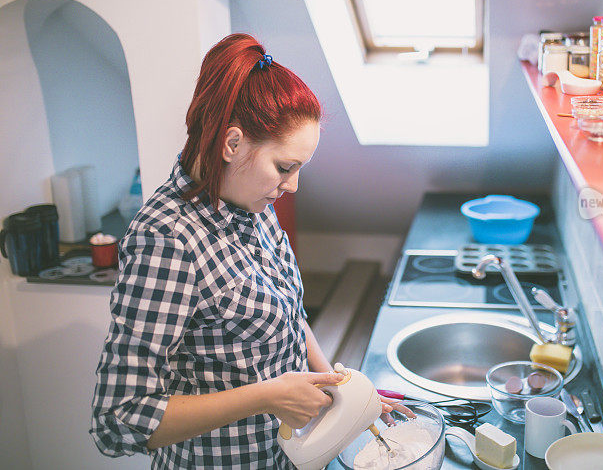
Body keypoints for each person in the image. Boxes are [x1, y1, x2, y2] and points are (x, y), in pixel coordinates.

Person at [91, 33, 408, 469]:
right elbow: (119, 418)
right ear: (232, 144)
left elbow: (287, 313)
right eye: (285, 167)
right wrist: (267, 396)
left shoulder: (251, 202)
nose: (292, 184)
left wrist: (345, 389)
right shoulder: (167, 240)